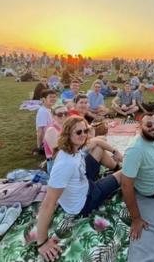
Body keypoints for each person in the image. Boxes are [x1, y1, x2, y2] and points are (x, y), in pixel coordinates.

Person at [35, 116, 122, 261]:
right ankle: (119, 171)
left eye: (85, 130)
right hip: (85, 201)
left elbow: (97, 142)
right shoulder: (65, 164)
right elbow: (48, 203)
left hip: (83, 182)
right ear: (68, 135)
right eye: (78, 132)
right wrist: (42, 242)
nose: (83, 135)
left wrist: (115, 152)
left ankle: (116, 166)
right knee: (124, 174)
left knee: (99, 149)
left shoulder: (73, 147)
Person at [43, 105, 68, 173]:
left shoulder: (66, 127)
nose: (63, 116)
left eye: (65, 113)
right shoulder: (51, 130)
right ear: (53, 117)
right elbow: (57, 154)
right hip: (56, 165)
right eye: (60, 114)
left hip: (68, 158)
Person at [35, 90, 57, 155]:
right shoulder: (43, 112)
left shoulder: (49, 109)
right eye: (50, 97)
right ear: (44, 99)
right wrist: (39, 147)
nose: (53, 99)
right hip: (48, 140)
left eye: (54, 97)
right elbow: (40, 130)